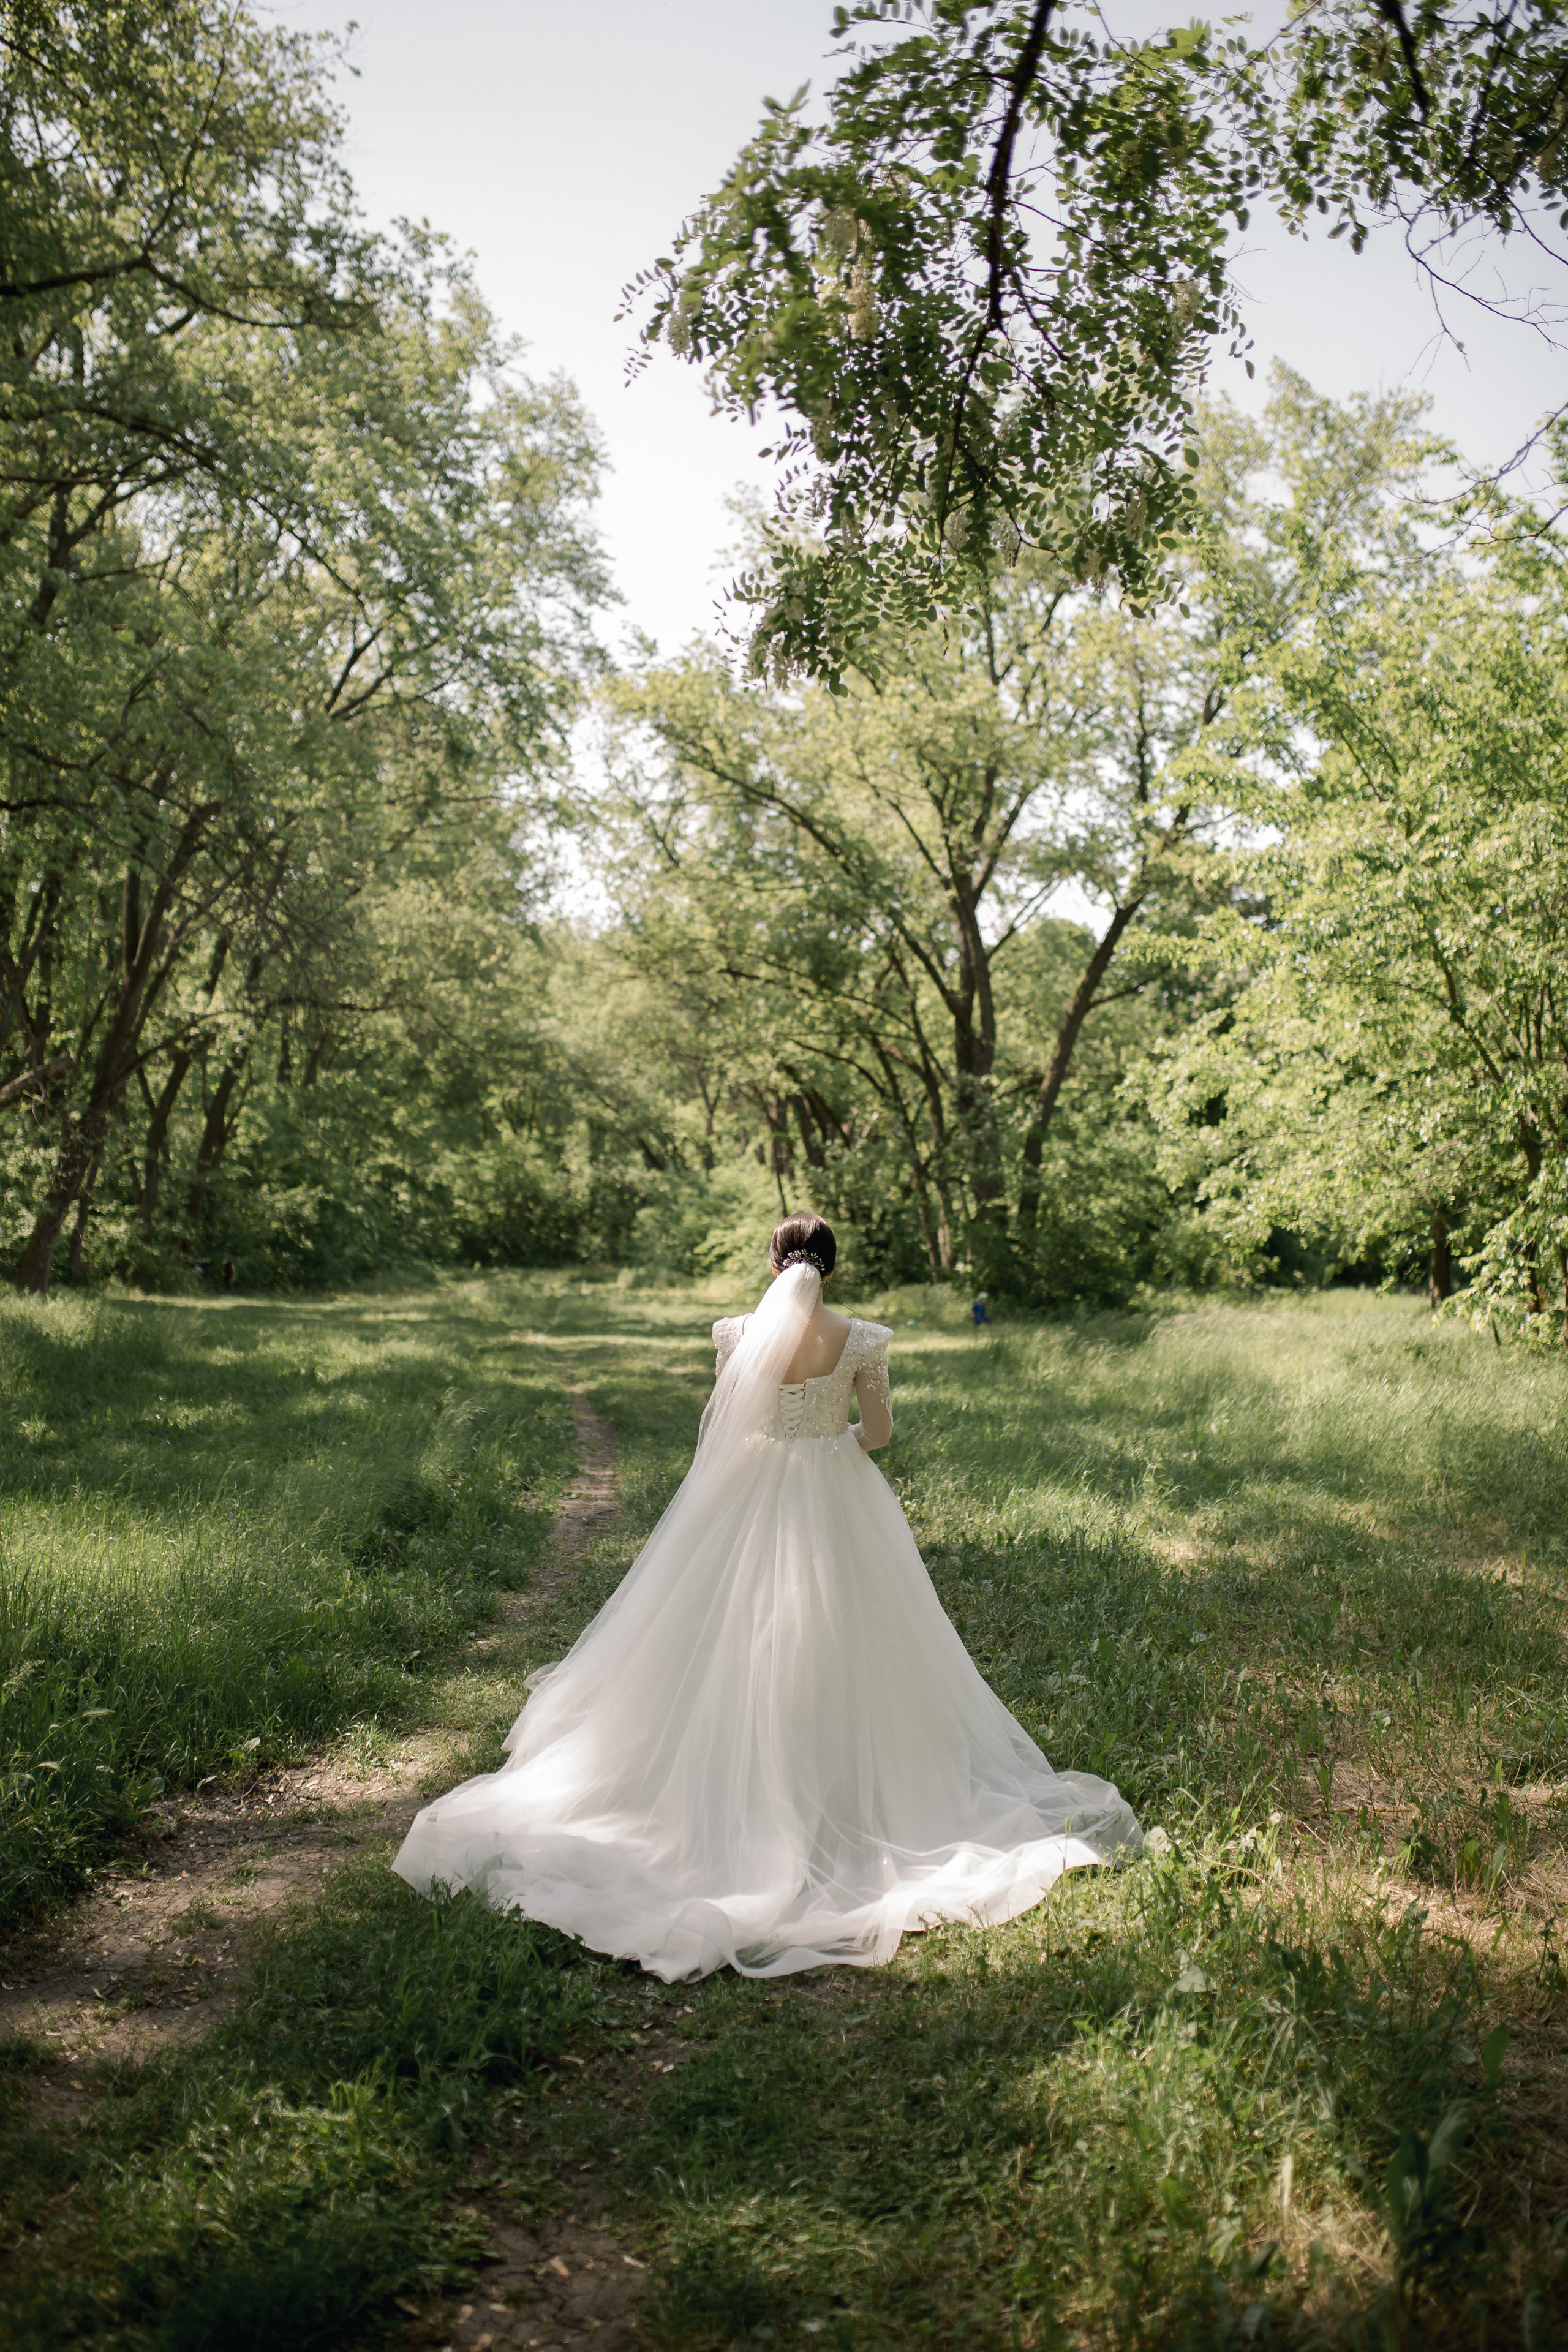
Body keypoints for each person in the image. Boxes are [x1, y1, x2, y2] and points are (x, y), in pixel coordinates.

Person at [393, 1212, 1140, 1981]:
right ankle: (848, 1785)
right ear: (835, 1266)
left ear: (773, 1261)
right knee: (854, 1629)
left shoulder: (737, 1335)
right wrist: (833, 1443)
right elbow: (878, 1433)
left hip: (749, 1491)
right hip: (834, 1489)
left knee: (729, 1627)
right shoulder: (863, 1339)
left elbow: (727, 1425)